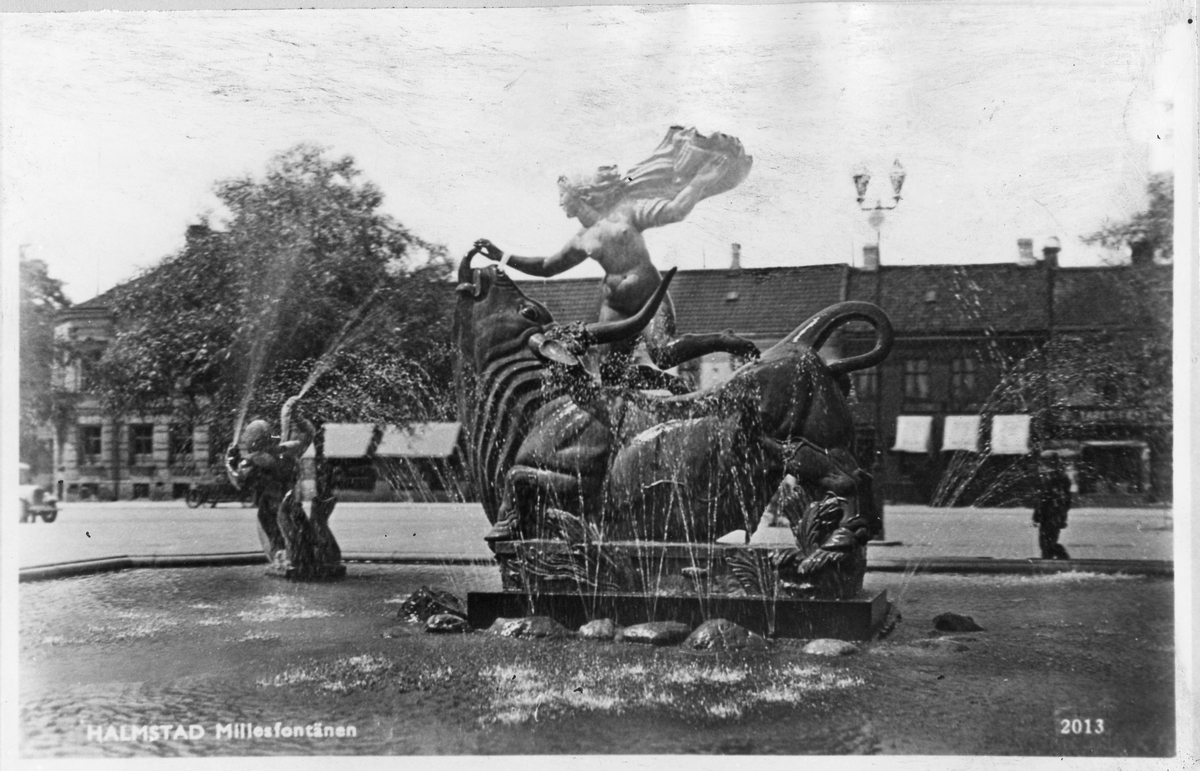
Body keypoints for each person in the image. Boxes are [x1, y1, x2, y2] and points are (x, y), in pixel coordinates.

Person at [471, 127, 757, 386]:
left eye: (563, 195)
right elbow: (547, 267)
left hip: (648, 297)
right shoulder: (582, 239)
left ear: (579, 194)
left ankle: (722, 339)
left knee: (664, 353)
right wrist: (502, 256)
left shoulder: (627, 212)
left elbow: (674, 211)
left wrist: (699, 181)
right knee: (610, 377)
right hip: (615, 306)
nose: (560, 202)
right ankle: (664, 384)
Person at [226, 396, 315, 571]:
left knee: (276, 539)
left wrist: (229, 461)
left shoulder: (252, 460)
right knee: (303, 534)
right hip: (291, 504)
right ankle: (309, 561)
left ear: (251, 440)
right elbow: (309, 435)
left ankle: (283, 562)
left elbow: (238, 481)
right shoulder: (286, 451)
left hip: (269, 507)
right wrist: (298, 418)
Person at [1032, 457, 1072, 560]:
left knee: (1048, 544)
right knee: (1045, 544)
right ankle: (1049, 563)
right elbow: (1041, 499)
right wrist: (1037, 516)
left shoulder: (1058, 478)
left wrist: (1061, 517)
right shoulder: (1050, 477)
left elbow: (1063, 500)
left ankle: (1063, 560)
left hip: (1053, 515)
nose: (1043, 465)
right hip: (1047, 516)